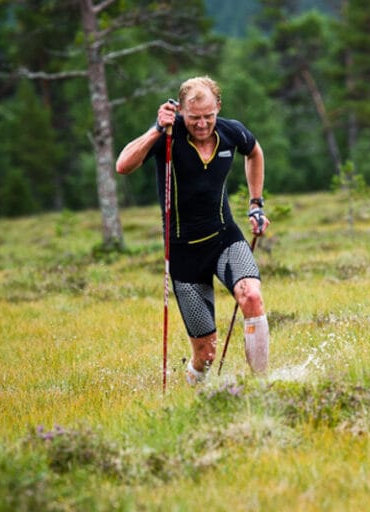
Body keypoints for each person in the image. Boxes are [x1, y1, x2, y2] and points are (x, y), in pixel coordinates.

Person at [116, 76, 270, 384]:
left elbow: (254, 152)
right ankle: (196, 389)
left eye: (208, 116)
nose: (202, 124)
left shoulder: (230, 132)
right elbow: (123, 165)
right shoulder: (168, 136)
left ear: (218, 108)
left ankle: (262, 387)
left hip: (225, 238)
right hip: (184, 255)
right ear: (181, 111)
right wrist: (157, 129)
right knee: (206, 354)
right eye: (194, 117)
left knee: (251, 296)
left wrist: (256, 203)